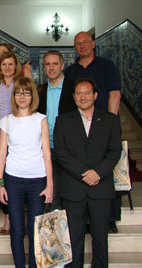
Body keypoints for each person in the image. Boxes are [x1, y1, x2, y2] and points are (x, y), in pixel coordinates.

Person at [53, 78, 122, 268]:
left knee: (100, 237)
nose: (82, 97)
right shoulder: (63, 120)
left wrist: (97, 173)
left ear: (95, 95)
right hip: (73, 188)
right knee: (74, 238)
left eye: (87, 93)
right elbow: (60, 153)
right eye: (78, 93)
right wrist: (84, 173)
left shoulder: (109, 120)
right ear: (73, 96)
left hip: (101, 188)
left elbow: (115, 151)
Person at [64, 31, 122, 233]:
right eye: (77, 43)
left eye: (85, 42)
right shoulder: (71, 71)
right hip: (81, 126)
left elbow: (115, 94)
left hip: (104, 125)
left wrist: (110, 123)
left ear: (93, 44)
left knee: (107, 173)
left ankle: (110, 217)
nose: (82, 46)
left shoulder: (107, 66)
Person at [0, 77, 53, 268]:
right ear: (14, 96)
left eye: (26, 92)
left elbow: (46, 152)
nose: (22, 96)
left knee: (36, 228)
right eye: (18, 92)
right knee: (17, 229)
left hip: (38, 180)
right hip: (13, 181)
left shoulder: (41, 119)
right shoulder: (6, 121)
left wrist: (50, 184)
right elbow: (1, 154)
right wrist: (0, 183)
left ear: (32, 96)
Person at [37, 50, 77, 209]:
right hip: (46, 147)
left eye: (55, 64)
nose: (51, 67)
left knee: (70, 191)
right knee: (50, 191)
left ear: (62, 65)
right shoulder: (40, 91)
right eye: (47, 64)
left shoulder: (74, 88)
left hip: (69, 148)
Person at [0, 50, 22, 235]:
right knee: (2, 176)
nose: (8, 67)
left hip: (18, 136)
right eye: (4, 64)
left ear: (16, 66)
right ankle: (7, 219)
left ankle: (18, 217)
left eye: (11, 64)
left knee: (16, 177)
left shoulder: (22, 84)